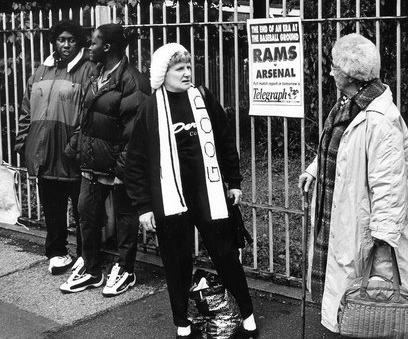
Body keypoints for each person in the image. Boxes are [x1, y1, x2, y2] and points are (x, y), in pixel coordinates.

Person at [124, 43, 258, 339]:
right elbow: (135, 162)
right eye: (178, 69)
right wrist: (144, 206)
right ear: (163, 73)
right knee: (177, 261)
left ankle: (248, 315)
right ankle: (182, 324)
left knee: (225, 255)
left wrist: (233, 181)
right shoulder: (150, 108)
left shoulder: (203, 98)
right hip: (169, 199)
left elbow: (224, 140)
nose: (186, 74)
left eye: (188, 67)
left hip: (208, 194)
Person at [298, 33, 408, 336]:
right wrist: (316, 168)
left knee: (370, 312)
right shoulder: (349, 103)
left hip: (366, 228)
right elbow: (342, 147)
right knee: (351, 305)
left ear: (349, 74)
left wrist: (381, 253)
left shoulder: (380, 119)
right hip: (345, 215)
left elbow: (389, 187)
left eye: (333, 68)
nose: (330, 72)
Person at [60, 23, 150, 297]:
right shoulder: (96, 74)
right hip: (91, 161)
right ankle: (91, 269)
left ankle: (125, 269)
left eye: (93, 42)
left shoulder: (134, 82)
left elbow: (135, 134)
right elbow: (86, 118)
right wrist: (75, 149)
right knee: (86, 213)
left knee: (125, 216)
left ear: (107, 47)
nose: (88, 47)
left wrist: (123, 170)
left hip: (118, 166)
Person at [15, 20, 96, 275]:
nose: (66, 44)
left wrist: (76, 146)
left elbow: (89, 114)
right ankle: (57, 253)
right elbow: (27, 110)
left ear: (79, 42)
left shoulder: (88, 71)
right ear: (54, 41)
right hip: (43, 153)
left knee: (83, 210)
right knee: (52, 208)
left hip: (72, 154)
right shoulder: (41, 71)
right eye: (61, 39)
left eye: (71, 40)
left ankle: (86, 256)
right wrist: (23, 141)